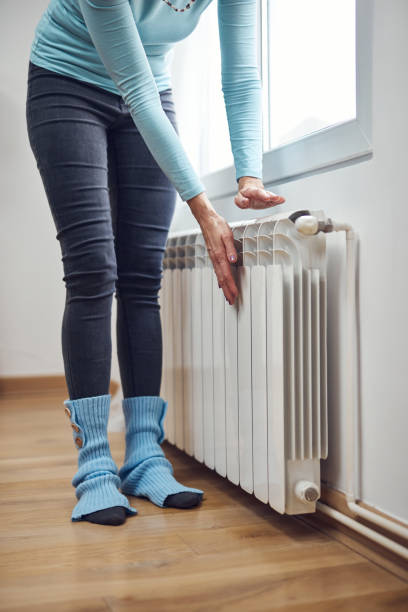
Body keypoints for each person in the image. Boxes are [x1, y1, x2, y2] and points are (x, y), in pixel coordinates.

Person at [25, 0, 286, 527]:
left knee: (143, 274)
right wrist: (203, 206)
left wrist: (248, 176)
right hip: (66, 81)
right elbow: (137, 91)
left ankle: (144, 455)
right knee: (94, 269)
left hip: (149, 91)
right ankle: (94, 464)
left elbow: (240, 74)